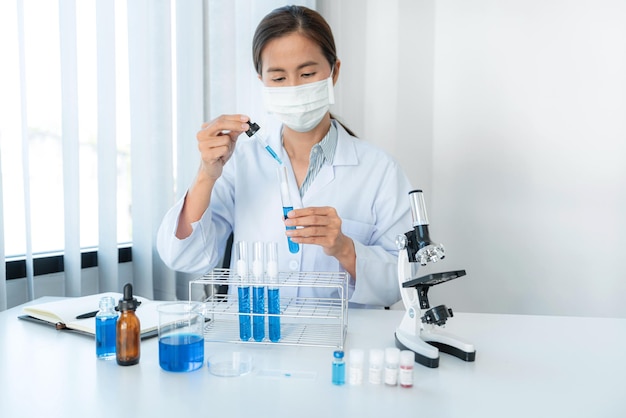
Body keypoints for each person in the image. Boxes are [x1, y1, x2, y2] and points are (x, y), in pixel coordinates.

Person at [156, 5, 413, 308]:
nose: (293, 88)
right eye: (278, 78)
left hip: (342, 343)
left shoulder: (380, 170)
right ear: (262, 80)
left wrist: (344, 247)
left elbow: (404, 280)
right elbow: (183, 256)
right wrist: (205, 175)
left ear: (334, 71)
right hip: (254, 341)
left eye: (307, 73)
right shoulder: (241, 161)